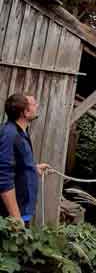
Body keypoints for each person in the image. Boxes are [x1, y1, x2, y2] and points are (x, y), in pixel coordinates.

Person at [0, 94, 50, 225]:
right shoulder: (10, 135)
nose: (37, 106)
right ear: (25, 113)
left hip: (23, 211)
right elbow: (4, 178)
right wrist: (16, 218)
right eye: (33, 105)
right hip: (11, 216)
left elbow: (17, 165)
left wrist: (33, 168)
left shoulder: (21, 133)